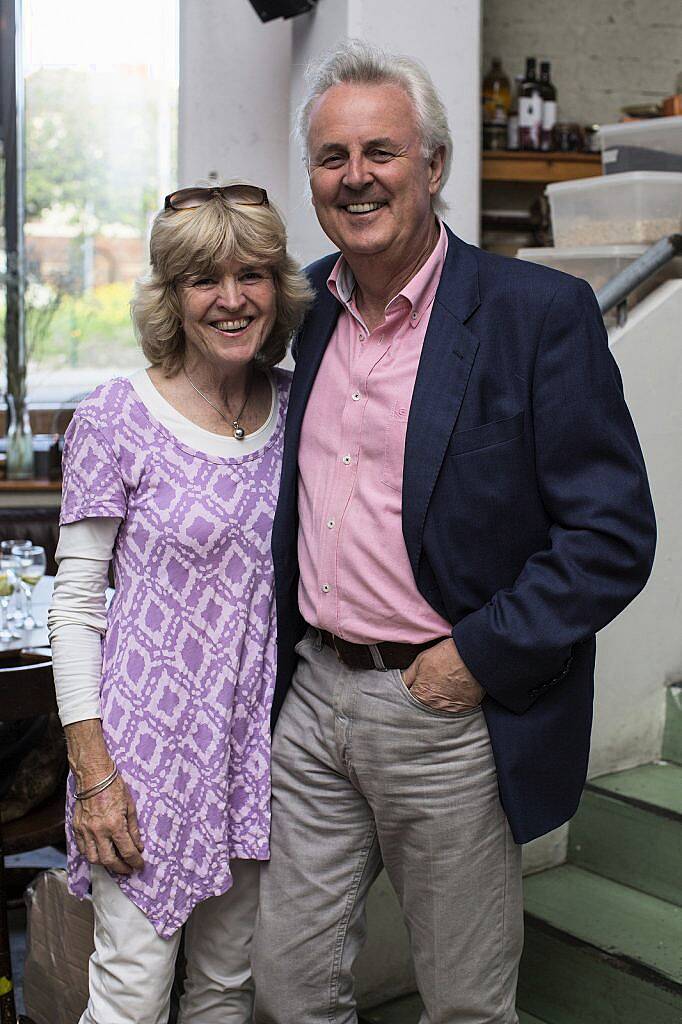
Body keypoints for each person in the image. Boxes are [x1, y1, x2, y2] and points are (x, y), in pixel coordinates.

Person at [252, 41, 657, 1024]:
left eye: (380, 151)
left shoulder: (535, 316)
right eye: (331, 157)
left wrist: (473, 657)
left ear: (433, 165)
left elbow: (610, 534)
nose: (356, 177)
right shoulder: (297, 313)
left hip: (441, 710)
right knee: (287, 986)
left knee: (465, 1006)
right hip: (310, 703)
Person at [47, 182, 312, 1024]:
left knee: (228, 987)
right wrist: (95, 776)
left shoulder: (299, 405)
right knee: (131, 992)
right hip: (142, 756)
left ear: (279, 287)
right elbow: (76, 606)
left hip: (255, 749)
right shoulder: (115, 416)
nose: (232, 300)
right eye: (205, 280)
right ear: (171, 296)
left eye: (253, 275)